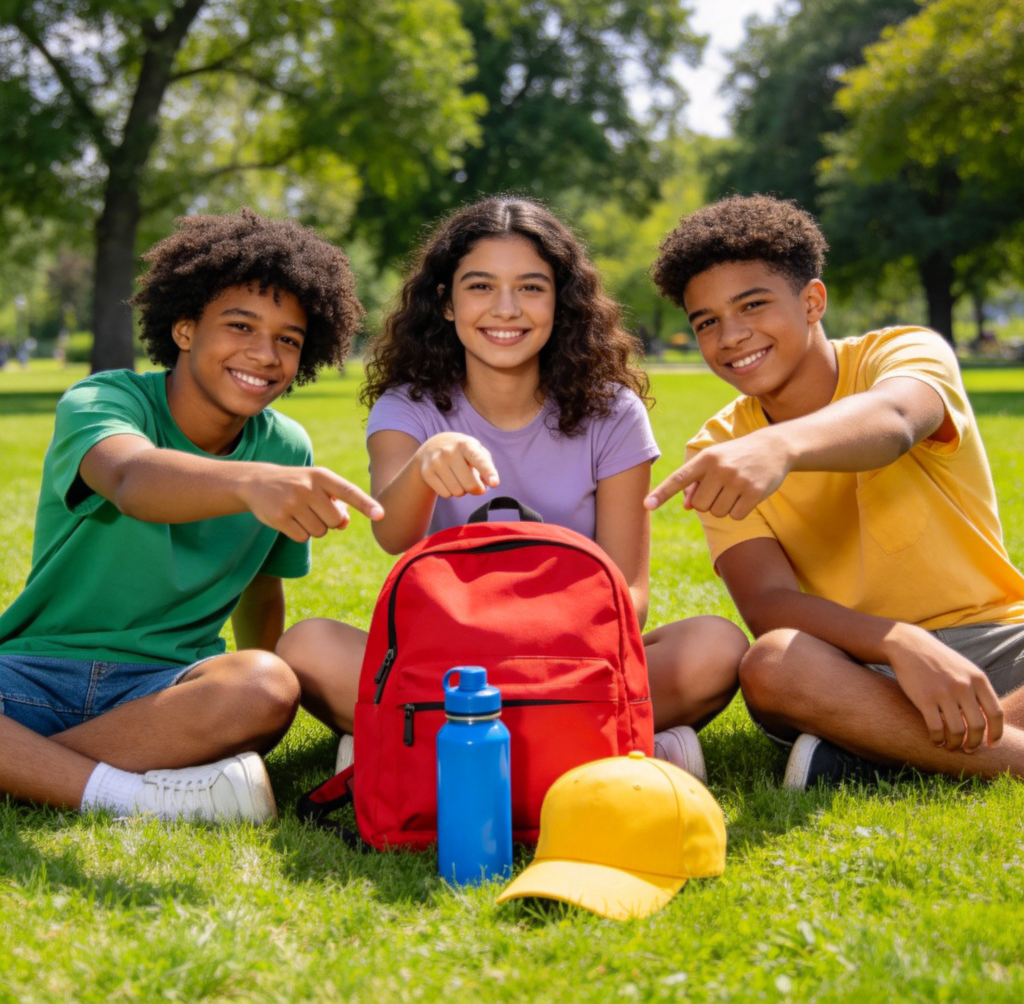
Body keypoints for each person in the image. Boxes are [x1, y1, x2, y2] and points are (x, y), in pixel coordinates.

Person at [278, 195, 748, 781]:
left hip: (571, 656)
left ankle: (406, 742)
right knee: (306, 646)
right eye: (479, 287)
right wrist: (425, 464)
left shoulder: (614, 412)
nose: (506, 309)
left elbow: (630, 591)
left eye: (530, 287)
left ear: (561, 302)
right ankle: (605, 742)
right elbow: (393, 536)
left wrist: (533, 650)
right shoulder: (408, 409)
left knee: (717, 646)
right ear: (447, 304)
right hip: (448, 662)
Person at [0, 209, 383, 823]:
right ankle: (130, 794)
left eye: (288, 339)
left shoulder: (285, 446)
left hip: (166, 693)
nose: (264, 354)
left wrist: (261, 715)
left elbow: (262, 588)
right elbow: (131, 479)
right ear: (183, 329)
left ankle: (31, 772)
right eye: (240, 325)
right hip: (31, 676)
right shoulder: (104, 399)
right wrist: (252, 484)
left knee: (265, 683)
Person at [646, 193, 1024, 787]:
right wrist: (897, 641)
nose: (732, 335)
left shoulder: (903, 352)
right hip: (848, 665)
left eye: (753, 304)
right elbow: (767, 603)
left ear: (812, 301)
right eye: (707, 323)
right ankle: (982, 754)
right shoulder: (716, 445)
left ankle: (877, 752)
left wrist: (783, 447)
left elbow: (897, 420)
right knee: (770, 664)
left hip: (1000, 640)